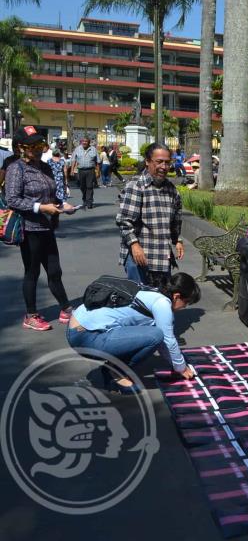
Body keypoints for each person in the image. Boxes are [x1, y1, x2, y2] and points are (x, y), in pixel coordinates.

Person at [66, 272, 200, 394]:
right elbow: (166, 339)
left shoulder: (154, 292)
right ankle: (116, 372)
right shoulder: (162, 303)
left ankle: (113, 367)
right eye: (186, 302)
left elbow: (163, 344)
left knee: (154, 335)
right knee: (156, 336)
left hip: (79, 329)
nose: (184, 307)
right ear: (177, 296)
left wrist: (176, 366)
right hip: (86, 337)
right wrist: (181, 368)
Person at [4, 125, 77, 331]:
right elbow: (12, 200)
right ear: (20, 147)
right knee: (32, 272)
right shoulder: (16, 169)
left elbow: (52, 195)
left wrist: (63, 206)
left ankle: (66, 309)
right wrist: (40, 207)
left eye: (40, 144)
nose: (38, 148)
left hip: (46, 227)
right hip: (28, 228)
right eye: (33, 145)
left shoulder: (43, 167)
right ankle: (31, 315)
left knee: (55, 271)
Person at [117, 143, 184, 287]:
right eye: (159, 162)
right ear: (147, 161)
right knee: (139, 300)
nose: (164, 167)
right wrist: (134, 245)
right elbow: (124, 221)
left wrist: (177, 240)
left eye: (167, 162)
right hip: (140, 257)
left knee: (160, 299)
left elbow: (176, 221)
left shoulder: (172, 190)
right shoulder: (136, 186)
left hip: (162, 256)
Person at [70, 137, 100, 209]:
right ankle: (85, 199)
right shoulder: (77, 149)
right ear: (81, 142)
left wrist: (98, 172)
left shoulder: (93, 149)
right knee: (82, 186)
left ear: (89, 142)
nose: (84, 142)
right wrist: (72, 170)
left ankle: (89, 202)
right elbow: (73, 160)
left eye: (86, 141)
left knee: (89, 186)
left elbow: (98, 162)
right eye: (83, 141)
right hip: (81, 170)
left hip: (90, 170)